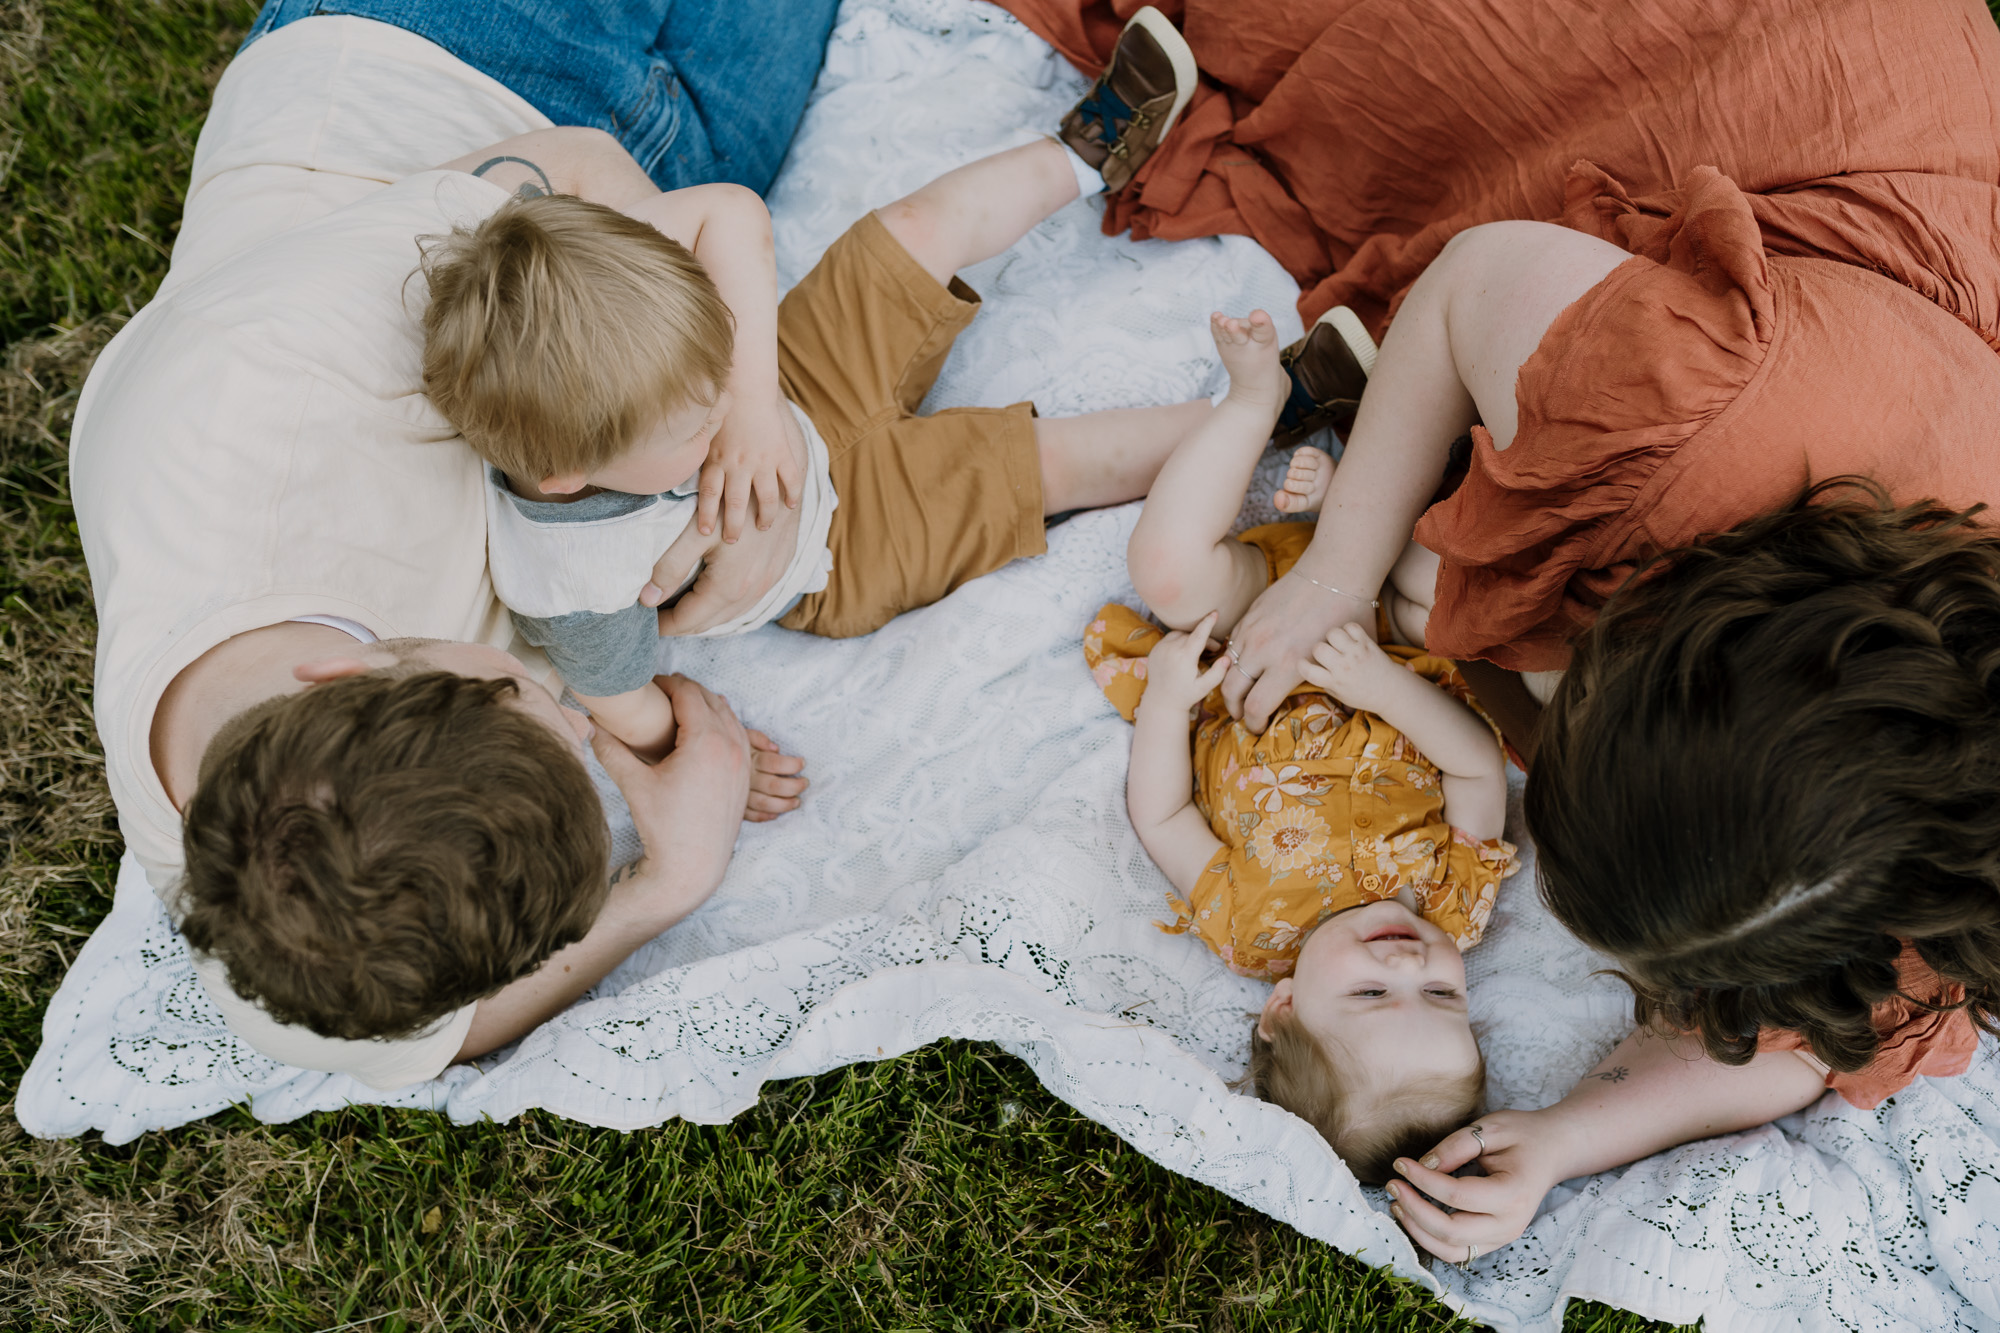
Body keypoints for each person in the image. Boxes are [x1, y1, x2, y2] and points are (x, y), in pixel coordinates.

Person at [70, 0, 843, 1090]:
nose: (580, 728)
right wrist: (667, 882)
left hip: (474, 59)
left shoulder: (275, 381)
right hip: (691, 154)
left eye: (524, 697)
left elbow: (570, 174)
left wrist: (752, 452)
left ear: (341, 667)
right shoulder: (286, 931)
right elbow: (440, 1034)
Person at [413, 7, 1218, 759]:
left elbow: (727, 221)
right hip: (837, 546)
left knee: (909, 233)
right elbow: (621, 701)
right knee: (1037, 463)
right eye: (696, 423)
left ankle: (1085, 153)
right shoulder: (569, 579)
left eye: (712, 374)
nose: (717, 409)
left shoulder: (592, 298)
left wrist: (753, 406)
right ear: (569, 477)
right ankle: (1253, 413)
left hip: (797, 385)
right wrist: (695, 745)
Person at [1081, 309, 1517, 1183]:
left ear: (1281, 1008)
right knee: (1448, 583)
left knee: (1165, 569)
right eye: (1440, 993)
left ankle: (1256, 400)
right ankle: (1384, 467)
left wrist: (1168, 705)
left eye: (1369, 994)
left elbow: (1163, 814)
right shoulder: (1452, 905)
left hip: (1253, 635)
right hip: (1395, 640)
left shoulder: (1248, 927)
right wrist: (1381, 683)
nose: (1408, 964)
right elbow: (1477, 761)